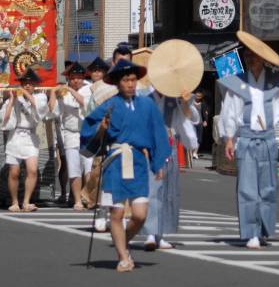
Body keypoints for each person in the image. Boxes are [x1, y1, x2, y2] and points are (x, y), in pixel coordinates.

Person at [219, 33, 279, 249]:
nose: (251, 58)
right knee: (248, 187)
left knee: (268, 188)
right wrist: (229, 139)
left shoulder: (275, 80)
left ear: (263, 58)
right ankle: (250, 232)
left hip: (269, 138)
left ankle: (264, 230)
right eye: (248, 55)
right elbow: (230, 112)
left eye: (255, 55)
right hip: (247, 138)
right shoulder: (237, 82)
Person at [80, 59, 171, 272]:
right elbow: (89, 127)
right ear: (118, 83)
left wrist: (158, 162)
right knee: (117, 213)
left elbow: (158, 132)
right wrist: (101, 128)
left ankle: (123, 241)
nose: (130, 84)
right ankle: (123, 256)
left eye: (132, 80)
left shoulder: (147, 105)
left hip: (138, 160)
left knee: (140, 214)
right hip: (116, 159)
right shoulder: (110, 105)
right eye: (125, 80)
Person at [138, 77, 200, 251]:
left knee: (168, 190)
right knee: (152, 190)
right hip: (148, 147)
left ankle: (162, 234)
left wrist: (186, 102)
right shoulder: (142, 96)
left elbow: (192, 118)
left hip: (169, 145)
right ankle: (150, 233)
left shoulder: (175, 98)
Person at [0, 66, 51, 212]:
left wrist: (25, 94)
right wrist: (11, 100)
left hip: (30, 137)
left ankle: (26, 201)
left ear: (35, 85)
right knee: (14, 172)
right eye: (25, 83)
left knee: (32, 169)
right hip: (15, 136)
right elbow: (5, 118)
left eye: (30, 83)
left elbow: (39, 109)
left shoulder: (40, 97)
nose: (27, 85)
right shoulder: (16, 96)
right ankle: (15, 201)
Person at [52, 62, 90, 209]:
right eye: (73, 78)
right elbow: (55, 112)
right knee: (73, 167)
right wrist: (53, 94)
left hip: (87, 133)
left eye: (79, 77)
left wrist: (70, 89)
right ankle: (77, 200)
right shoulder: (63, 92)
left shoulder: (88, 88)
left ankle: (87, 196)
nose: (76, 81)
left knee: (88, 167)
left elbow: (84, 103)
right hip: (70, 133)